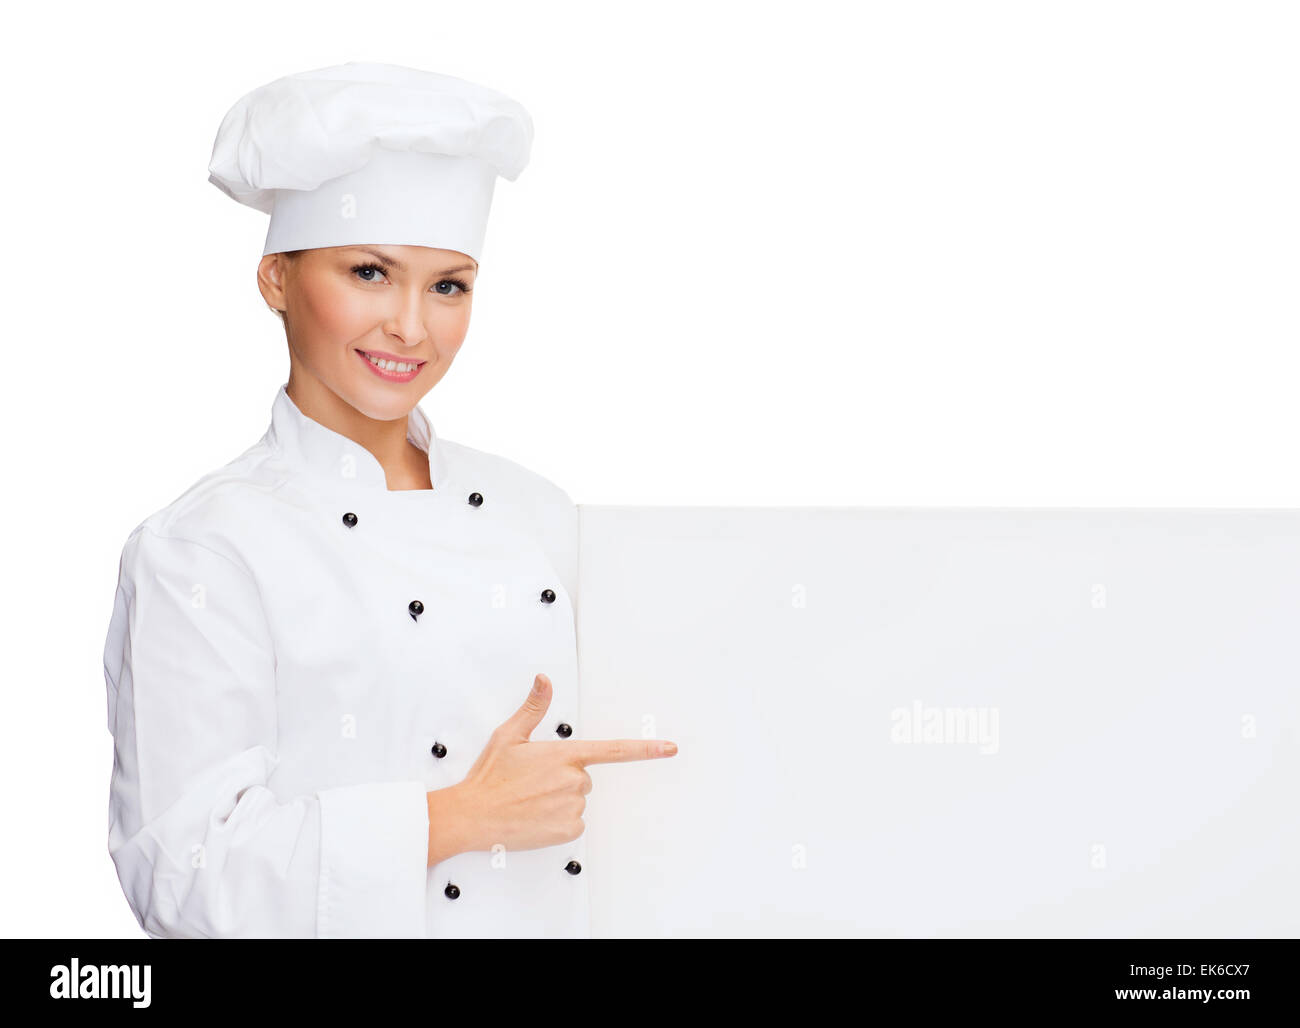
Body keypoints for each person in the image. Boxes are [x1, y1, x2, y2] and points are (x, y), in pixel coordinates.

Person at [101, 62, 678, 939]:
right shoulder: (205, 549)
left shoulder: (539, 512)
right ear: (276, 279)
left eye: (449, 285)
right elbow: (184, 879)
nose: (412, 326)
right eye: (370, 272)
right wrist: (456, 821)